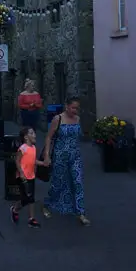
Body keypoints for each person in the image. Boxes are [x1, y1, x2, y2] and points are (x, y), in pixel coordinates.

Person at [43, 97, 90, 226]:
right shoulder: (58, 119)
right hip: (60, 156)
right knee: (57, 183)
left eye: (77, 108)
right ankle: (47, 204)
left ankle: (81, 213)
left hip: (75, 156)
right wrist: (47, 156)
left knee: (78, 182)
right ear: (67, 106)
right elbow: (48, 137)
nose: (75, 110)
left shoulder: (77, 119)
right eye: (73, 107)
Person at [10, 127, 45, 228]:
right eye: (32, 133)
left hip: (31, 176)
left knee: (31, 198)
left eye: (34, 132)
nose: (34, 135)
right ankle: (15, 209)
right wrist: (21, 172)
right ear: (26, 137)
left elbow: (33, 161)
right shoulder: (23, 148)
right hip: (23, 177)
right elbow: (17, 160)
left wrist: (42, 163)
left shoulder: (33, 148)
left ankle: (31, 219)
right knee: (26, 198)